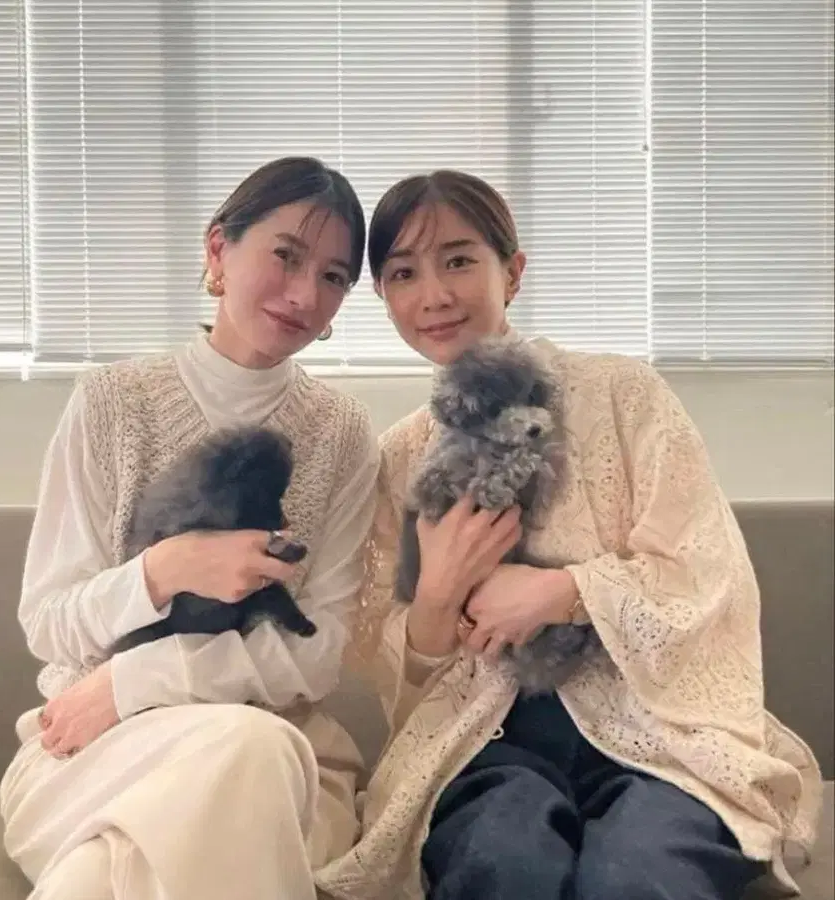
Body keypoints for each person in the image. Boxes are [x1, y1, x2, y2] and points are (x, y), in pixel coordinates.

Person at [315, 169, 823, 900]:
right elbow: (387, 654)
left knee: (638, 877)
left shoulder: (624, 393)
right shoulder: (399, 456)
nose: (434, 294)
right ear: (383, 295)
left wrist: (563, 591)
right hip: (482, 745)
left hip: (661, 735)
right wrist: (436, 598)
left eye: (458, 260)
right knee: (503, 865)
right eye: (403, 273)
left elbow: (706, 572)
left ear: (512, 271)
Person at [0, 156, 380, 900]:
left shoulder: (342, 434)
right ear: (218, 249)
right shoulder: (112, 402)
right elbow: (48, 620)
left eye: (334, 277)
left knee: (242, 755)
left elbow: (320, 653)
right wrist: (165, 569)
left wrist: (140, 679)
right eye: (286, 255)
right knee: (246, 756)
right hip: (92, 749)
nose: (306, 294)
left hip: (283, 755)